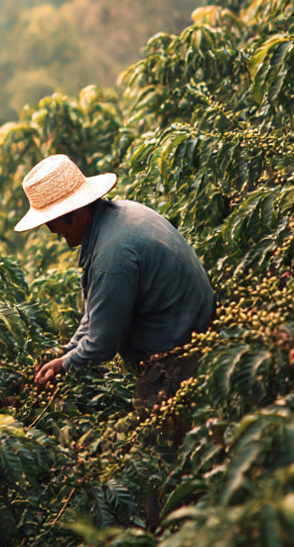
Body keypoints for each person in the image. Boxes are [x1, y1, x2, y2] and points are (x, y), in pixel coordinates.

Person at [14, 153, 214, 390]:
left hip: (183, 356)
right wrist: (69, 351)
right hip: (197, 332)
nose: (51, 231)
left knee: (160, 420)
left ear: (78, 217)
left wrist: (66, 365)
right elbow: (97, 312)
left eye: (54, 224)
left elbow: (103, 343)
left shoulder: (112, 258)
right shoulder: (122, 214)